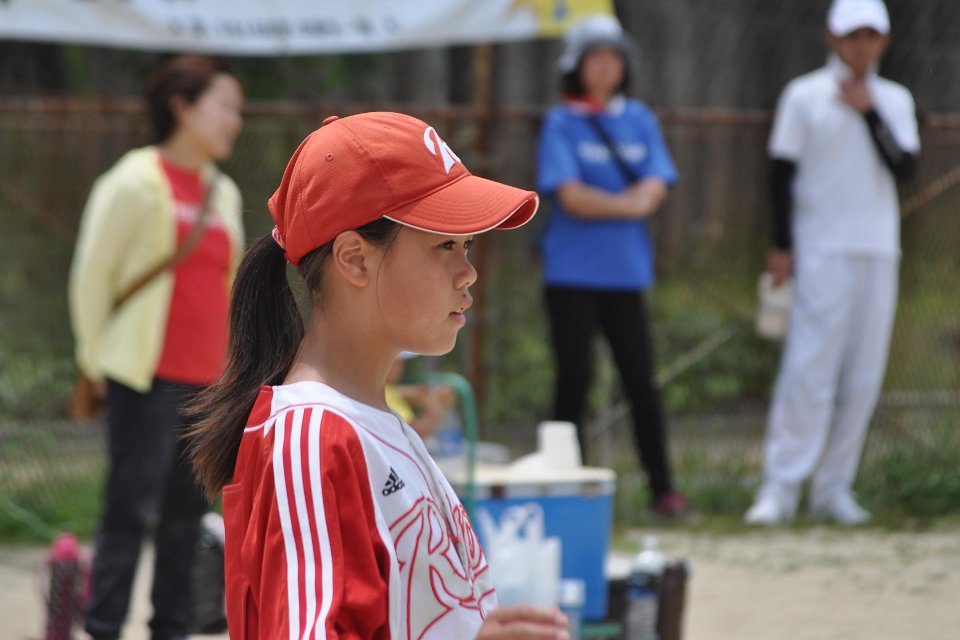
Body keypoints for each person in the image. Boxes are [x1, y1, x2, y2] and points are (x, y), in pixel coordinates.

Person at [186, 112, 570, 639]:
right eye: (444, 245)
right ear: (355, 260)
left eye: (467, 246)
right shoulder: (311, 436)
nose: (469, 272)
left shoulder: (372, 423)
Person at [68, 54, 245, 639]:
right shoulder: (132, 180)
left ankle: (169, 629)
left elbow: (228, 284)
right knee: (128, 509)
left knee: (185, 518)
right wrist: (93, 361)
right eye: (224, 106)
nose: (235, 120)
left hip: (207, 384)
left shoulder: (224, 192)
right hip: (143, 375)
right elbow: (92, 277)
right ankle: (103, 627)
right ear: (182, 107)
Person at [744, 0, 919, 526]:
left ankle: (834, 488)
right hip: (820, 249)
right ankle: (780, 488)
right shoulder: (804, 95)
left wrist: (869, 111)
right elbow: (780, 174)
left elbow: (904, 166)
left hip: (878, 249)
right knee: (808, 370)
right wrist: (782, 245)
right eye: (852, 35)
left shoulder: (895, 100)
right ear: (832, 38)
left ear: (884, 41)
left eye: (871, 36)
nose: (861, 46)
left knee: (863, 377)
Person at [536, 14, 686, 517]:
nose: (605, 66)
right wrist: (628, 203)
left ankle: (663, 490)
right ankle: (566, 491)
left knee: (641, 382)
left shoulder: (640, 118)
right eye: (594, 56)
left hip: (626, 274)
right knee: (572, 381)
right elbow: (572, 198)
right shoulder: (562, 122)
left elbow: (658, 183)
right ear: (575, 66)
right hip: (571, 273)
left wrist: (623, 200)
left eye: (613, 57)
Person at [385, 352, 457, 439]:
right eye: (398, 362)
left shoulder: (388, 390)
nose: (402, 367)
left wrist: (422, 394)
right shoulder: (384, 394)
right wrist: (436, 410)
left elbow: (405, 393)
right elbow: (411, 433)